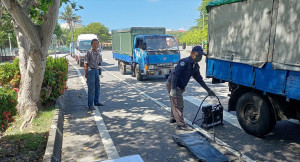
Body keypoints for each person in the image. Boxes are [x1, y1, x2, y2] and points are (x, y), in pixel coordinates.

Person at [166, 46, 216, 131]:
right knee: (178, 105)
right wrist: (173, 89)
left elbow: (199, 79)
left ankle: (174, 118)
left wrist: (208, 90)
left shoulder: (195, 66)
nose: (200, 57)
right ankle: (181, 125)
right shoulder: (184, 62)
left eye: (201, 55)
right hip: (173, 84)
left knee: (175, 102)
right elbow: (175, 74)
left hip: (180, 86)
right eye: (198, 54)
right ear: (192, 53)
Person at [84, 39, 104, 110]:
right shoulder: (88, 53)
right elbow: (86, 63)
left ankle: (96, 102)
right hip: (91, 71)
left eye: (97, 43)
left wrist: (99, 72)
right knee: (91, 89)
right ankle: (90, 105)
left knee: (97, 88)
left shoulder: (98, 53)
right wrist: (86, 72)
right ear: (91, 44)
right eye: (94, 43)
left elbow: (98, 63)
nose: (96, 45)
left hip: (96, 71)